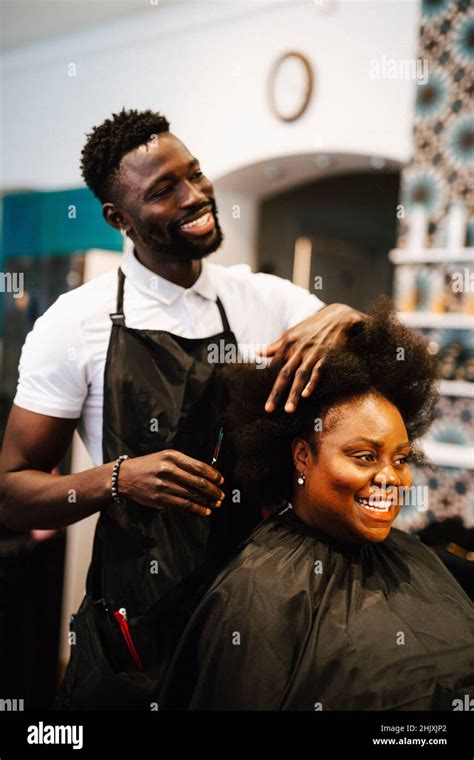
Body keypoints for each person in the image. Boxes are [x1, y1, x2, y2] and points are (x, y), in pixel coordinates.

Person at [0, 108, 364, 709]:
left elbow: (394, 362)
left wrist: (346, 319)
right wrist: (118, 478)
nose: (195, 196)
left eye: (194, 174)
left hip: (259, 603)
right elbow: (12, 493)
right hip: (139, 622)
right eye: (164, 190)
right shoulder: (75, 323)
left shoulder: (262, 299)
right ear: (118, 218)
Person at [160, 298, 474, 711]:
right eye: (364, 456)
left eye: (400, 459)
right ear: (302, 457)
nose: (391, 478)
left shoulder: (415, 560)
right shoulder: (260, 595)